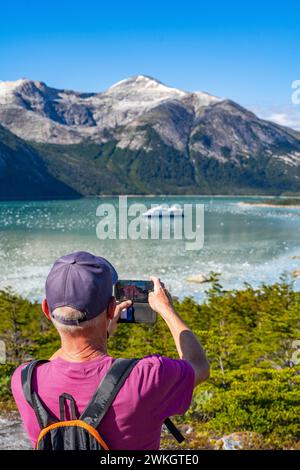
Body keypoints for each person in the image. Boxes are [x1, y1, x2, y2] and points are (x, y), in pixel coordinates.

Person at [11, 251, 210, 450]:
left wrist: (100, 333)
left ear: (46, 309)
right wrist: (167, 310)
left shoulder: (24, 381)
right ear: (111, 308)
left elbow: (58, 362)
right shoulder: (147, 376)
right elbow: (199, 365)